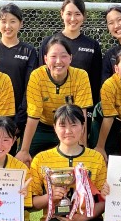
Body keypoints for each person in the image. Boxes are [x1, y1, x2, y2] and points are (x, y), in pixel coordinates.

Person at [17, 105, 106, 221]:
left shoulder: (96, 158)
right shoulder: (41, 159)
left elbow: (102, 200)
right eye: (63, 125)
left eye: (74, 125)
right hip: (53, 220)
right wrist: (50, 197)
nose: (68, 131)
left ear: (83, 126)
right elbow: (32, 204)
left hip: (86, 219)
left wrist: (84, 218)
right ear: (54, 128)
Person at [16, 36, 93, 167]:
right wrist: (24, 150)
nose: (58, 61)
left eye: (63, 56)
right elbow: (33, 115)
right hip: (42, 126)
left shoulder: (81, 76)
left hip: (69, 127)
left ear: (70, 58)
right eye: (53, 57)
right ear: (45, 59)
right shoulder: (37, 76)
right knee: (22, 161)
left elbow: (81, 116)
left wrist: (82, 149)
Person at [39, 0, 102, 105]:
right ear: (62, 14)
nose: (73, 19)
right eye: (69, 14)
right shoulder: (48, 42)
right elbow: (41, 77)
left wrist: (90, 110)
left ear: (84, 16)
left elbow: (95, 82)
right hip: (52, 107)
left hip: (81, 107)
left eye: (77, 14)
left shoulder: (92, 45)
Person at [0, 3, 38, 145]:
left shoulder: (28, 51)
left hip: (19, 115)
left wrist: (20, 118)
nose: (8, 26)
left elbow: (30, 87)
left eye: (12, 21)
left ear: (20, 24)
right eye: (3, 21)